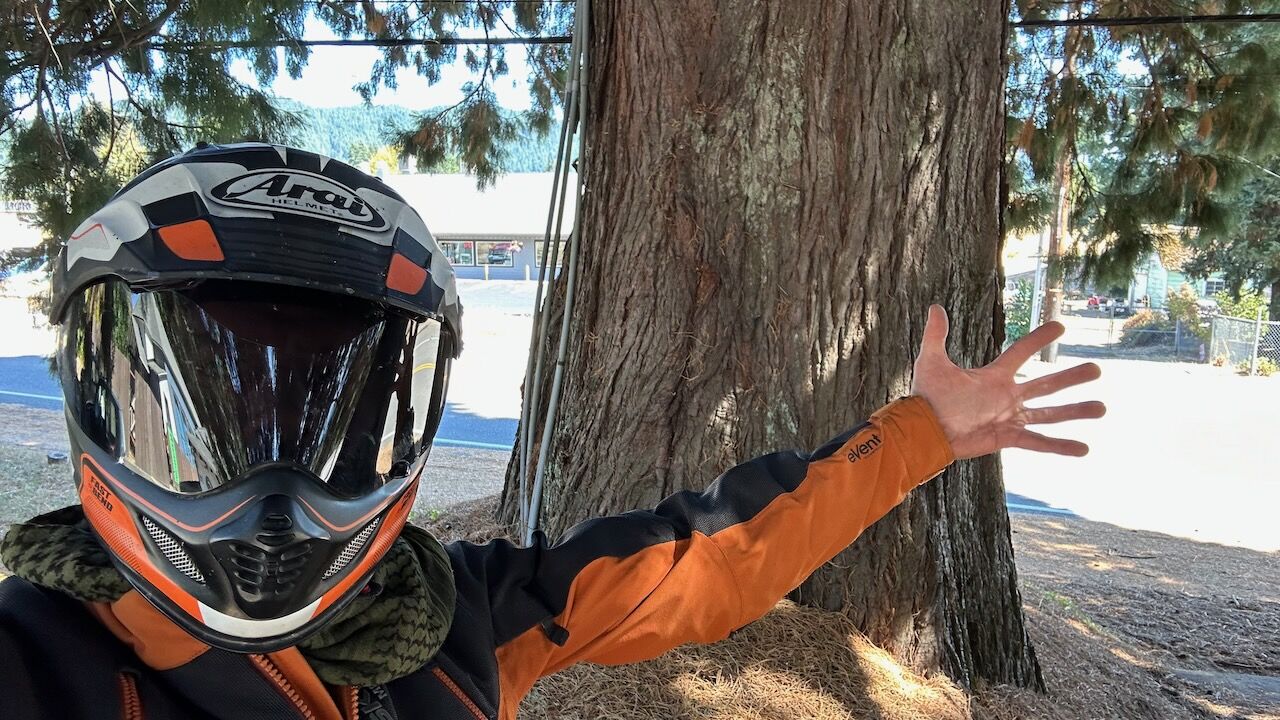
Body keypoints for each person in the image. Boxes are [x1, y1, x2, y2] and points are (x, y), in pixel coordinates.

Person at [0, 143, 1104, 720]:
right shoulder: (31, 659)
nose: (274, 492)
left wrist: (919, 433)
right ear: (102, 403)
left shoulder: (456, 624)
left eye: (330, 416)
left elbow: (708, 558)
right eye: (225, 416)